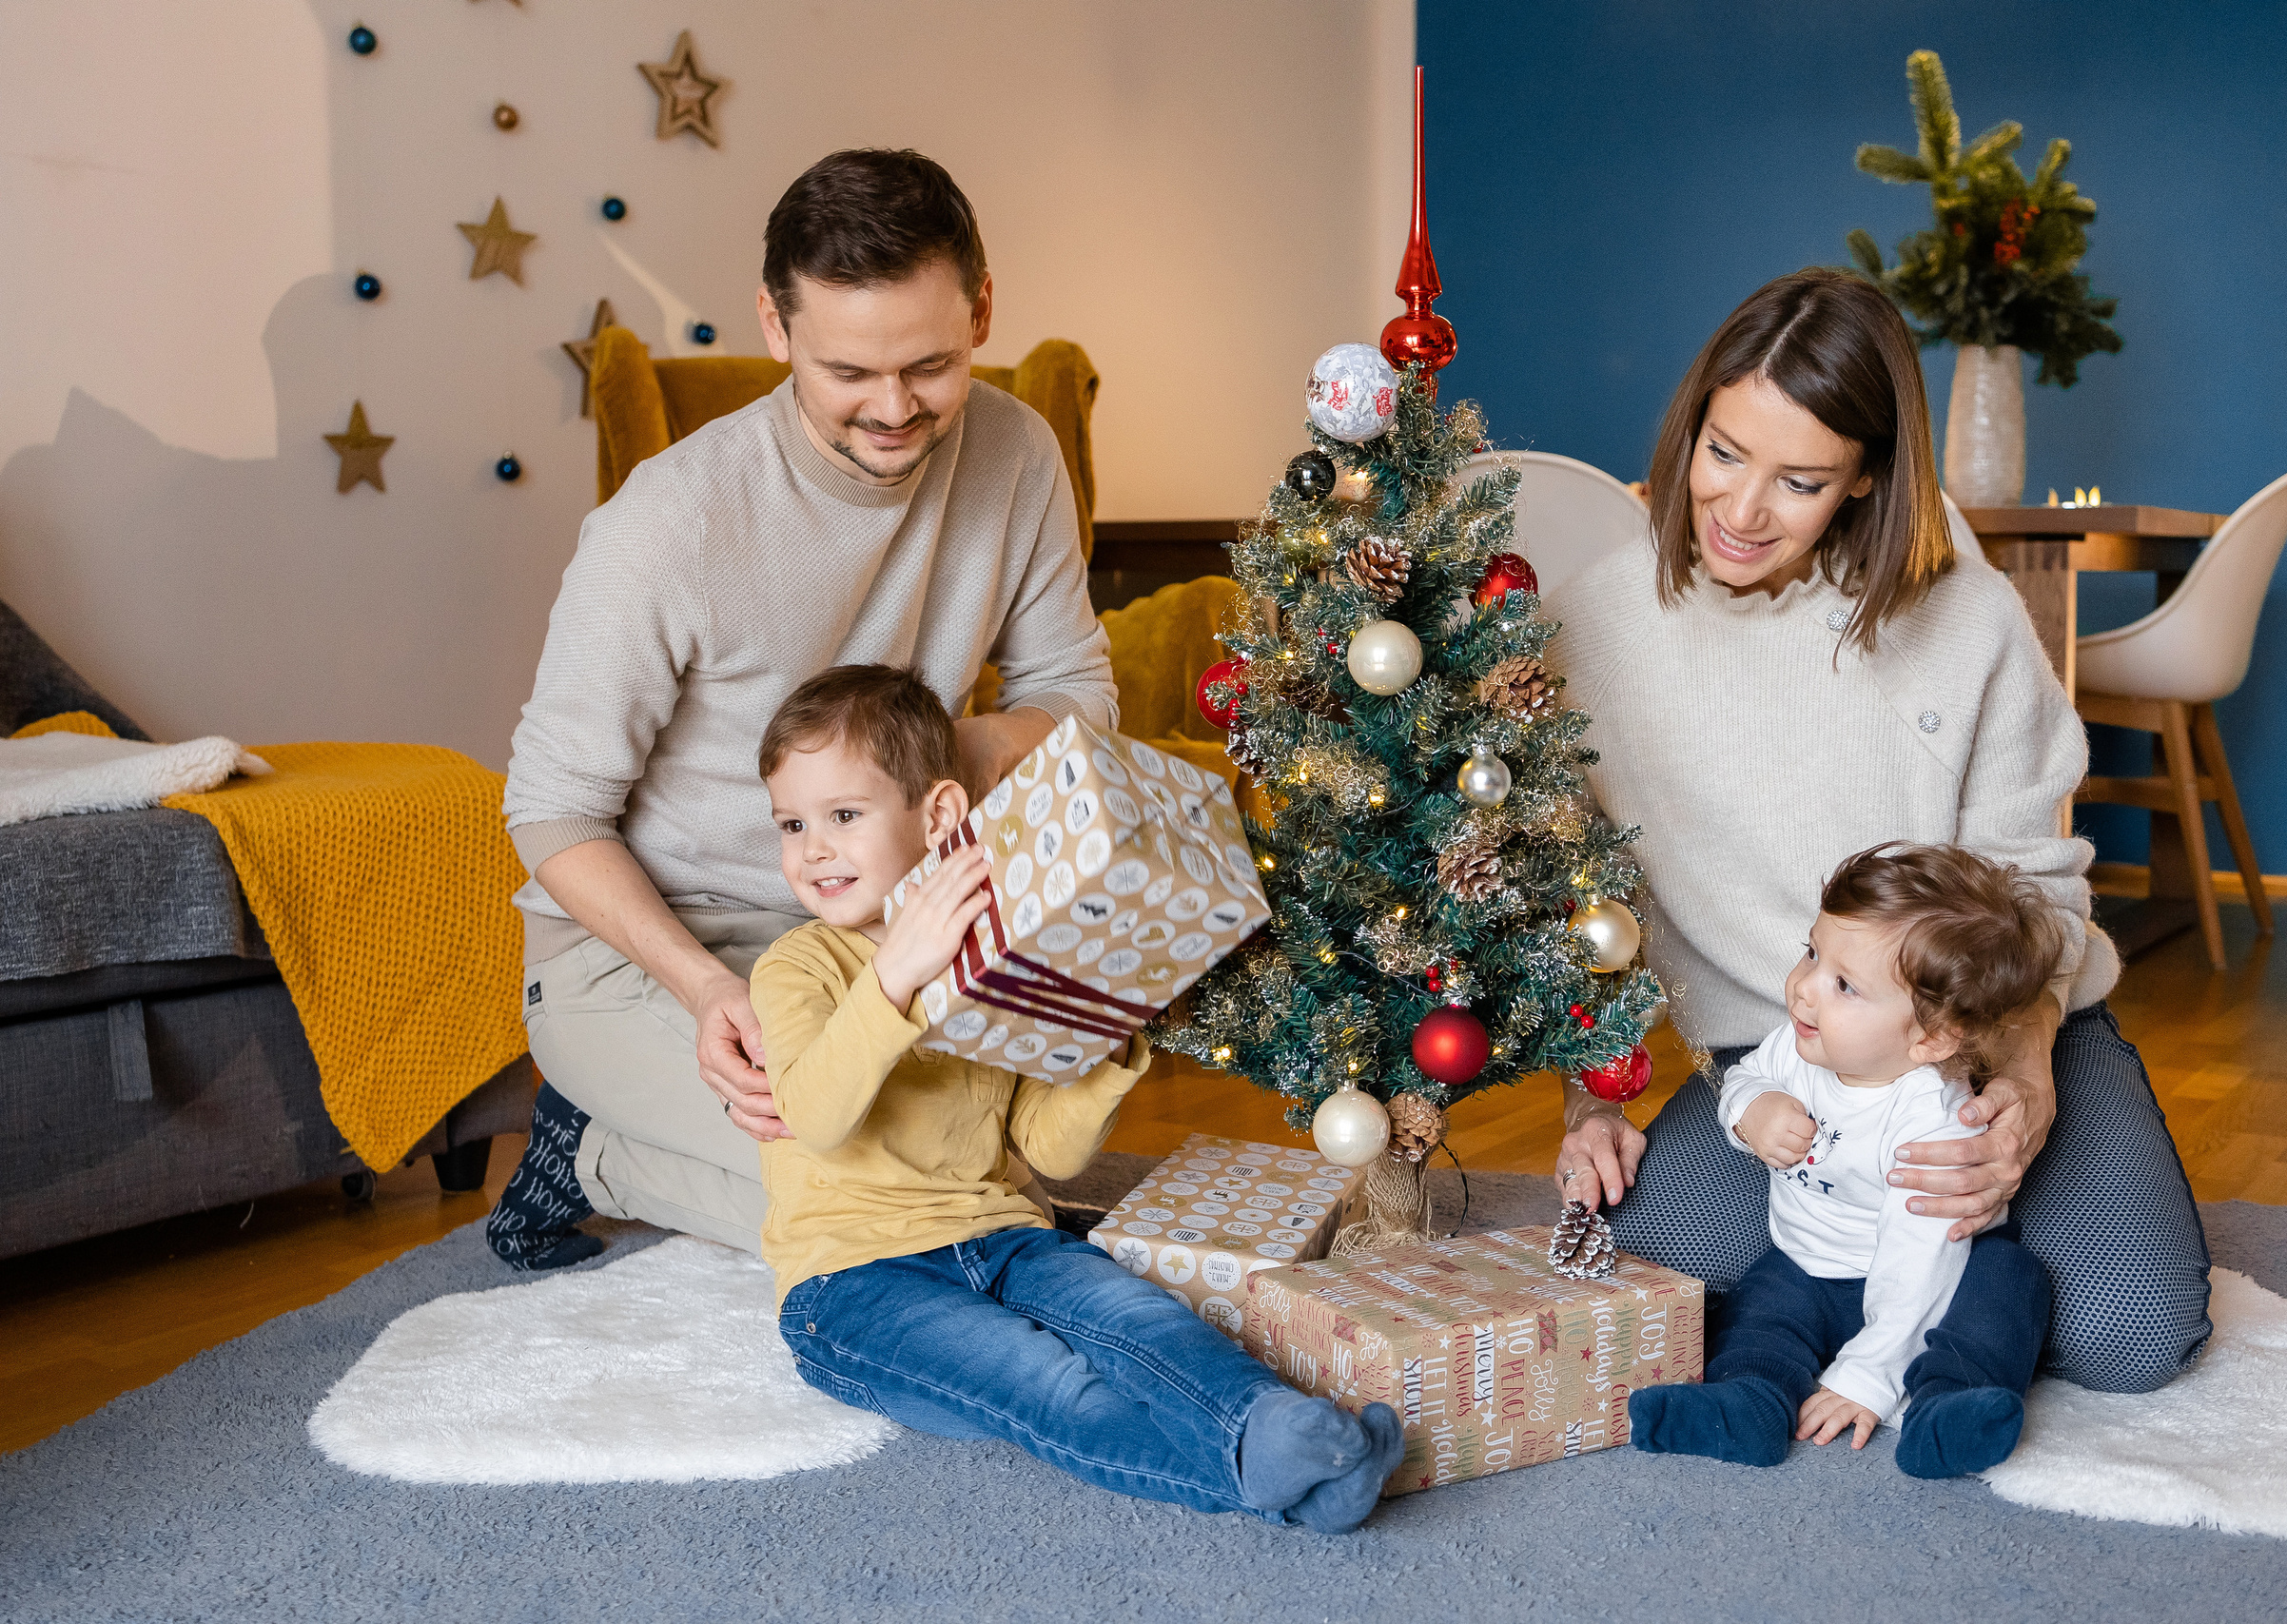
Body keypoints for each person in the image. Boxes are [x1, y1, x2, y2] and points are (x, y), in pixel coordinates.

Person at [1545, 266, 2213, 1395]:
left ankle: (1946, 1280)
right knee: (1659, 1275)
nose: (1741, 511)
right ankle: (1907, 1281)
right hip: (1782, 1058)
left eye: (1799, 481)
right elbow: (1575, 902)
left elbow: (2033, 876)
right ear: (1689, 428)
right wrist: (1586, 1097)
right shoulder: (1599, 628)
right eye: (1721, 453)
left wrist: (2029, 1077)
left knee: (2130, 1337)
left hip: (1989, 1026)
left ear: (1863, 482)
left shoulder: (1963, 610)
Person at [486, 149, 1116, 1270]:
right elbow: (550, 812)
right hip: (658, 950)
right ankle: (591, 1151)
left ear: (981, 309)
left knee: (991, 1172)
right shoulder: (665, 525)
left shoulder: (1018, 453)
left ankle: (643, 1141)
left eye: (930, 364)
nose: (893, 409)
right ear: (774, 327)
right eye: (848, 373)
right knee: (871, 1194)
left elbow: (1074, 696)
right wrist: (704, 992)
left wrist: (919, 774)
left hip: (889, 928)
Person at [748, 665, 1403, 1530]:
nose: (813, 848)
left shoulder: (995, 958)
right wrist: (896, 976)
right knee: (1048, 1384)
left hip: (1004, 1235)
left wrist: (1115, 1035)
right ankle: (1286, 1480)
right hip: (851, 1281)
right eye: (792, 824)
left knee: (1136, 1319)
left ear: (938, 816)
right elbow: (817, 1116)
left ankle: (1272, 1424)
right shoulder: (795, 967)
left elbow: (1049, 1151)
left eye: (842, 815)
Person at [1627, 843, 2059, 1478]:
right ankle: (1749, 1400)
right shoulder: (1800, 1041)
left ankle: (1949, 1405)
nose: (1803, 989)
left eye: (1844, 984)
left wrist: (1870, 1376)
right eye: (1811, 952)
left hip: (1937, 1271)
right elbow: (1746, 1077)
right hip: (1810, 1262)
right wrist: (1753, 1111)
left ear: (1930, 1038)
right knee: (1756, 1311)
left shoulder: (1930, 1118)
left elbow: (1918, 1269)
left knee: (2007, 1289)